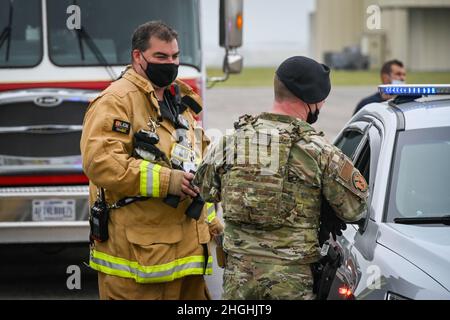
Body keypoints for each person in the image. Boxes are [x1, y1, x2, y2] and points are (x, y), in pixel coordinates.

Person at [194, 56, 368, 300]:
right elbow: (355, 209)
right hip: (291, 283)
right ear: (314, 101)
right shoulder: (319, 151)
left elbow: (204, 189)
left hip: (238, 279)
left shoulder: (231, 140)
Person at [80, 21, 223, 300]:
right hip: (138, 265)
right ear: (138, 56)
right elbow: (101, 162)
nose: (170, 64)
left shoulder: (180, 102)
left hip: (188, 261)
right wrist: (167, 181)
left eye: (174, 57)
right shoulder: (116, 101)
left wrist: (214, 227)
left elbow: (195, 168)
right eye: (160, 57)